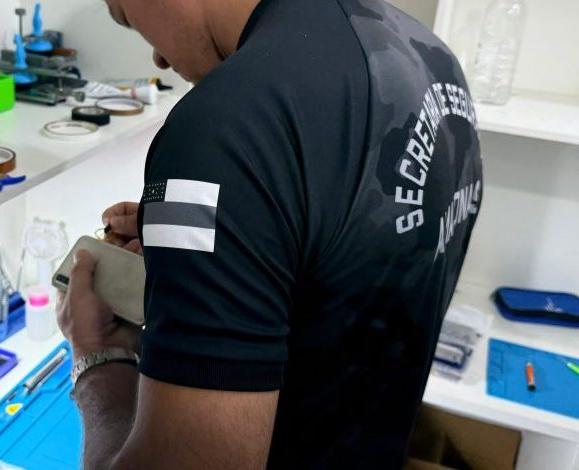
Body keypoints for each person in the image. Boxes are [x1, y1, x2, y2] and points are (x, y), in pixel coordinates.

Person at [57, 0, 483, 468]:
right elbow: (354, 231)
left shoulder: (222, 128)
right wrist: (237, 233)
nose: (157, 58)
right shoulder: (427, 56)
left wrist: (99, 357)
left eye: (127, 17)